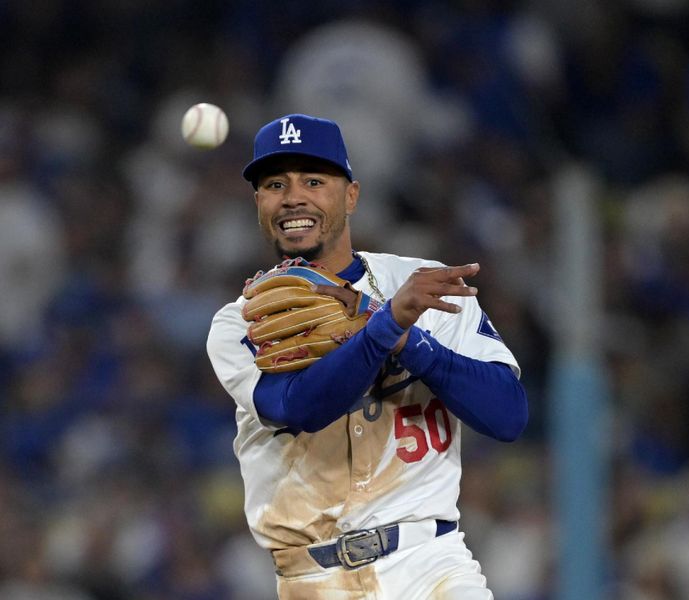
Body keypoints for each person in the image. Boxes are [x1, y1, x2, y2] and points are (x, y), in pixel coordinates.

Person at [206, 113, 528, 599]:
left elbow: (508, 415)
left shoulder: (424, 284)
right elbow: (297, 408)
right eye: (275, 184)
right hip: (313, 579)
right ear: (259, 204)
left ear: (351, 195)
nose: (293, 196)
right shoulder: (242, 321)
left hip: (430, 565)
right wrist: (386, 327)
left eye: (314, 180)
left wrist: (408, 338)